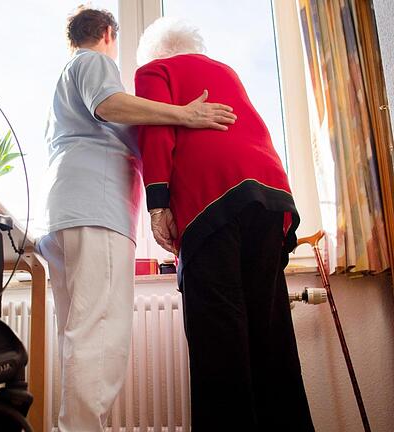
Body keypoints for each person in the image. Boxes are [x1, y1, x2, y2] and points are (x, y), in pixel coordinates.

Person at [37, 7, 236, 431]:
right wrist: (185, 114)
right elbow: (110, 105)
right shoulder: (93, 62)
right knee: (102, 337)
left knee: (79, 336)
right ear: (109, 33)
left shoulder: (63, 84)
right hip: (96, 212)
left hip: (65, 214)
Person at [133, 17, 314, 431]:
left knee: (220, 343)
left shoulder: (154, 72)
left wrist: (158, 203)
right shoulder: (225, 71)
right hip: (270, 199)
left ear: (154, 53)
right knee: (270, 341)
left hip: (212, 201)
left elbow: (157, 131)